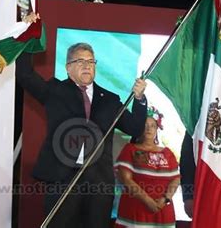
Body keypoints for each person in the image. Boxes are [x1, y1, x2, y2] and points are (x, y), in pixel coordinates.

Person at [16, 39, 148, 228]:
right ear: (68, 68)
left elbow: (135, 129)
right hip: (63, 181)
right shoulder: (55, 91)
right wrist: (26, 38)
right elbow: (25, 75)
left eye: (90, 61)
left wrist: (140, 99)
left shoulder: (110, 99)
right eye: (80, 61)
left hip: (98, 184)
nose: (87, 66)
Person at [114, 112, 180, 228]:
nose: (149, 129)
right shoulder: (130, 149)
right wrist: (148, 201)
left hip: (162, 209)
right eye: (145, 125)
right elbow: (126, 180)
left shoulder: (167, 153)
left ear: (157, 129)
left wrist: (165, 199)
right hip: (136, 208)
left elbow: (175, 179)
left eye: (153, 126)